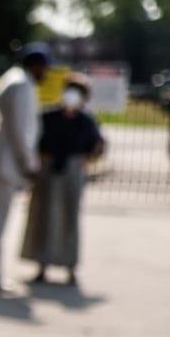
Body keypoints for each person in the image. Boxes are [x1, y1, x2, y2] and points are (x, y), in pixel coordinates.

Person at [0, 42, 49, 293]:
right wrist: (30, 164)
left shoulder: (16, 80)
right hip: (4, 164)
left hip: (2, 163)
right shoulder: (21, 85)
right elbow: (21, 131)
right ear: (36, 65)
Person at [23, 72, 106, 285]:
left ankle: (69, 265)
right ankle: (42, 263)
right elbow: (37, 141)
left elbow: (97, 146)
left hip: (72, 168)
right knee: (45, 214)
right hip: (50, 168)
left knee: (69, 216)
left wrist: (91, 154)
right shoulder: (49, 115)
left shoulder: (87, 120)